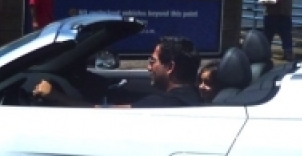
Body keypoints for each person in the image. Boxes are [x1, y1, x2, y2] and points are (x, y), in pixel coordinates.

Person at [34, 36, 202, 108]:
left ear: (170, 67)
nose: (149, 67)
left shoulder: (163, 105)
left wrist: (56, 96)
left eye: (153, 61)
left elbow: (104, 114)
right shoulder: (198, 98)